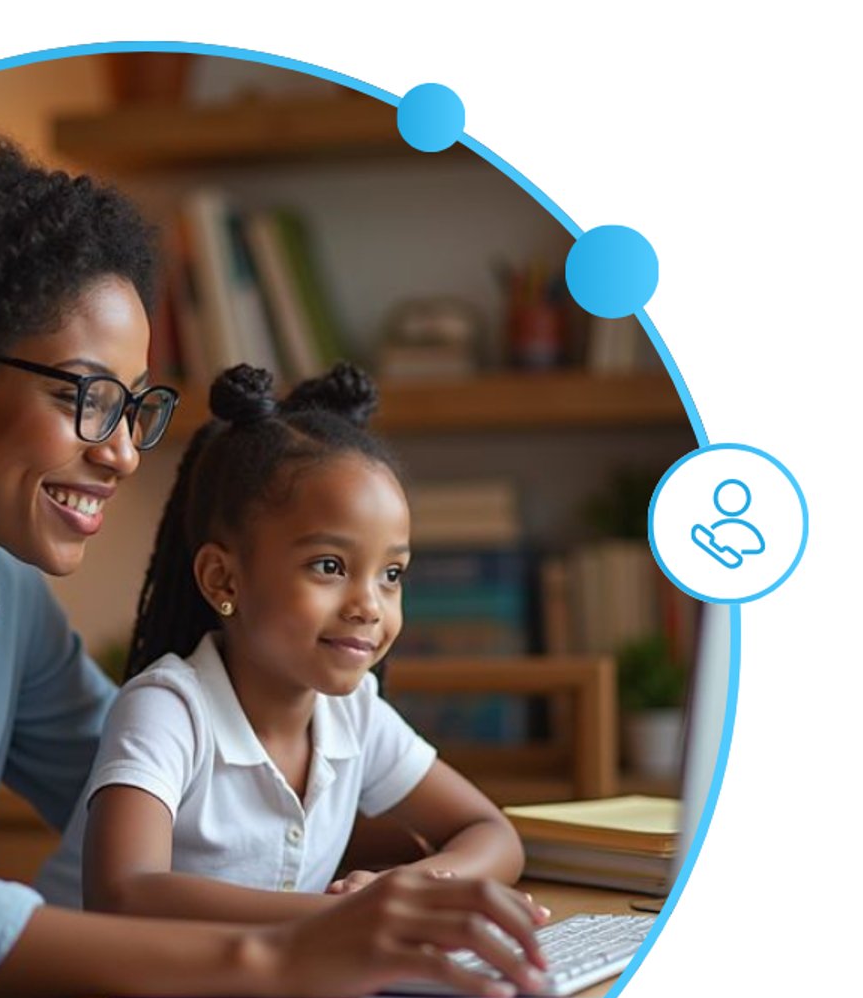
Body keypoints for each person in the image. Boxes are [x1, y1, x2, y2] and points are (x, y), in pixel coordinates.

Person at [0, 135, 546, 998]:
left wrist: (407, 886)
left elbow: (190, 808)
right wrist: (285, 955)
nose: (121, 454)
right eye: (86, 396)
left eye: (134, 409)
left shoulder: (7, 604)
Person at [35, 361, 542, 923]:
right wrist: (341, 920)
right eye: (329, 566)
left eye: (391, 575)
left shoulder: (354, 713)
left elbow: (492, 834)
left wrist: (412, 891)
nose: (368, 605)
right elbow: (124, 892)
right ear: (224, 580)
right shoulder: (169, 709)